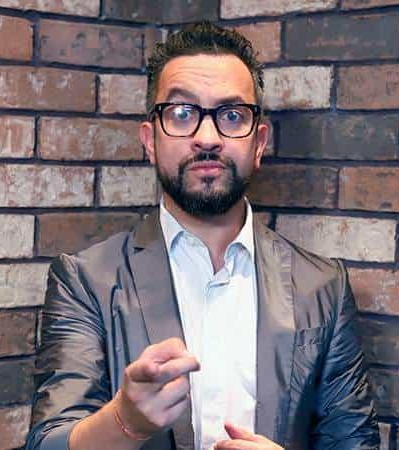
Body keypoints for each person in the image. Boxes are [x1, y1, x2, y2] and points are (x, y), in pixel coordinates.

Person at [26, 21, 380, 450]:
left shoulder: (323, 287)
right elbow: (47, 442)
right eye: (181, 114)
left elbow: (354, 442)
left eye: (232, 116)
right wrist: (125, 421)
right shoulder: (86, 281)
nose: (207, 138)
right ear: (150, 140)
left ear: (259, 142)